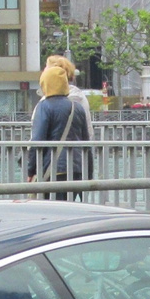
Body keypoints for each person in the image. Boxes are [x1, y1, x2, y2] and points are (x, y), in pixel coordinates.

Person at [26, 66, 92, 201]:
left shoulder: (44, 106)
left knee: (53, 211)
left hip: (54, 169)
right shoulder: (77, 107)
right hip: (76, 169)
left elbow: (37, 140)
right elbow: (86, 141)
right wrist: (88, 171)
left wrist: (31, 171)